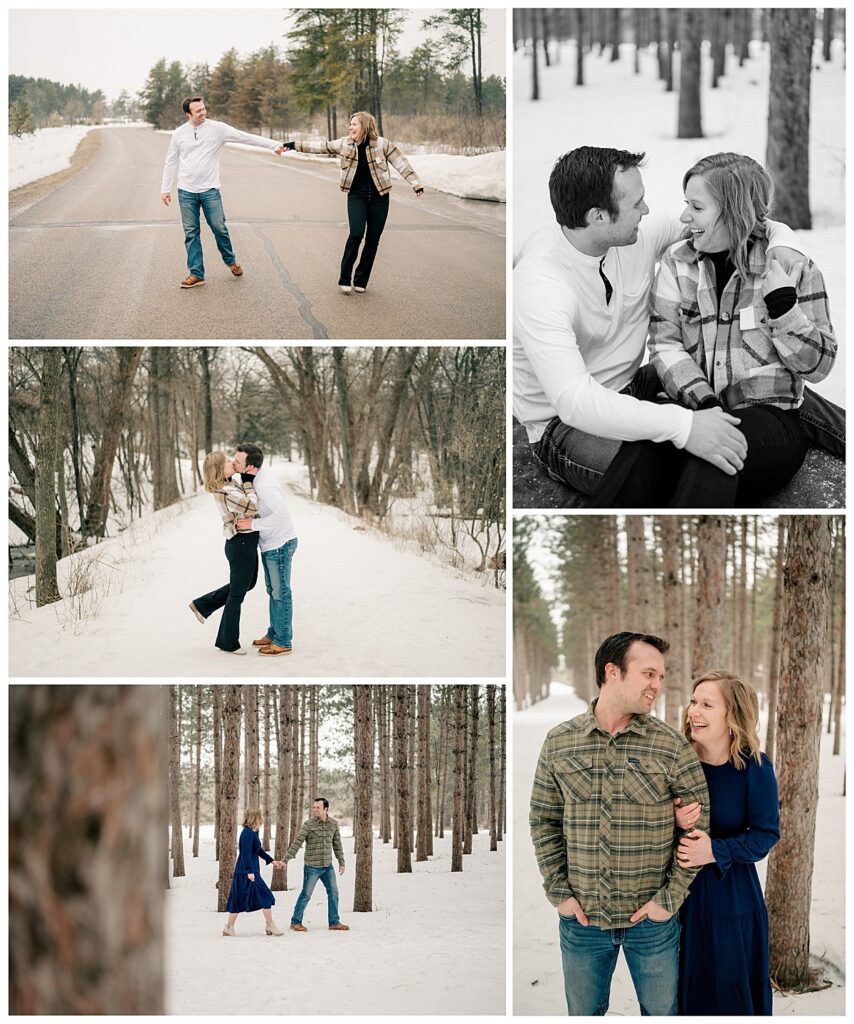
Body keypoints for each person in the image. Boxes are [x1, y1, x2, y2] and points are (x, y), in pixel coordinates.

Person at [513, 146, 844, 498]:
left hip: (634, 385)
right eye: (636, 203)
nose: (649, 210)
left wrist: (782, 239)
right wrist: (688, 424)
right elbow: (576, 402)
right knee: (670, 463)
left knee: (751, 372)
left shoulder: (632, 234)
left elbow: (736, 217)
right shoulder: (540, 286)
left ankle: (816, 423)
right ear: (598, 216)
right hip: (568, 423)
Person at [529, 632, 710, 1016]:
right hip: (582, 921)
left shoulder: (670, 746)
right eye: (648, 673)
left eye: (660, 676)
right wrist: (559, 892)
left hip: (653, 923)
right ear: (612, 671)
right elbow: (544, 820)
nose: (657, 685)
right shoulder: (560, 742)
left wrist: (669, 898)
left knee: (661, 1013)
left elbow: (699, 825)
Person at [672, 672, 780, 1014]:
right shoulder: (675, 762)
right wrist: (671, 821)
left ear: (731, 714)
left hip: (733, 900)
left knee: (731, 996)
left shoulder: (755, 768)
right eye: (693, 702)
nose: (694, 711)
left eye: (706, 704)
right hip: (680, 897)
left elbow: (766, 834)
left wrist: (715, 850)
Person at [282, 112, 424, 293]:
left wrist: (415, 183)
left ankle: (361, 280)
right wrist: (294, 145)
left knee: (373, 240)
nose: (350, 127)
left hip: (380, 198)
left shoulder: (383, 144)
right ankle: (345, 277)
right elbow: (320, 147)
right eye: (350, 124)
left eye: (354, 124)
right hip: (356, 196)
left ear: (364, 125)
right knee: (356, 234)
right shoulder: (345, 143)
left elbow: (401, 163)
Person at [160, 96, 286, 288]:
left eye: (203, 109)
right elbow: (171, 161)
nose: (203, 112)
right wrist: (165, 188)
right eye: (198, 111)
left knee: (219, 227)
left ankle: (230, 261)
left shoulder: (217, 129)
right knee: (191, 232)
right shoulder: (178, 134)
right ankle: (196, 273)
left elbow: (246, 137)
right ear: (188, 114)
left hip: (210, 190)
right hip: (186, 191)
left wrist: (273, 145)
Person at [189, 451, 259, 655]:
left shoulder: (230, 484)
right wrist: (248, 482)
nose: (232, 462)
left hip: (244, 542)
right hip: (241, 543)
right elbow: (253, 506)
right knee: (237, 593)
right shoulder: (226, 490)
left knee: (249, 583)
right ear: (220, 469)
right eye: (228, 461)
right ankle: (228, 641)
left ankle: (201, 604)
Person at [233, 443, 297, 657]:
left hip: (279, 544)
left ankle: (283, 641)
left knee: (281, 593)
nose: (234, 463)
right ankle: (274, 633)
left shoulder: (265, 486)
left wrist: (253, 525)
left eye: (238, 461)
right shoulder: (254, 477)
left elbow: (281, 515)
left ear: (251, 467)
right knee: (273, 592)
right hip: (270, 543)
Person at [284, 797, 349, 933]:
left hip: (327, 867)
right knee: (306, 894)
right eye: (314, 807)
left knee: (334, 893)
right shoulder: (308, 825)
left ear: (325, 809)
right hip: (312, 867)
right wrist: (285, 859)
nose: (315, 810)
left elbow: (337, 845)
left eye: (318, 808)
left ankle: (334, 922)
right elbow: (297, 842)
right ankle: (295, 922)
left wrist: (341, 862)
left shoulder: (333, 824)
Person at [223, 808, 285, 936]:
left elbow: (258, 850)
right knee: (263, 896)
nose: (262, 820)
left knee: (250, 898)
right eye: (260, 817)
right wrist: (249, 872)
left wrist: (272, 861)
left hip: (249, 871)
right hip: (246, 872)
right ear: (255, 818)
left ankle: (229, 928)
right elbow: (245, 854)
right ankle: (269, 925)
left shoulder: (253, 832)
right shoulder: (247, 833)